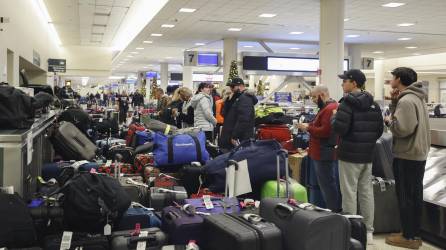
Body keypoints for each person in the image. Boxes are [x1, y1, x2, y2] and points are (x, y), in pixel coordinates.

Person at [331, 69, 384, 244]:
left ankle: (352, 231)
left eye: (344, 81)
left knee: (349, 193)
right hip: (367, 156)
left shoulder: (346, 104)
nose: (342, 84)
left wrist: (334, 119)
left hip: (348, 156)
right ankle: (368, 232)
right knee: (366, 192)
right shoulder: (374, 104)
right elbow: (379, 131)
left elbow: (340, 129)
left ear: (354, 83)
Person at [384, 68, 430, 249]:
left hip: (407, 155)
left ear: (399, 79)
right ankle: (412, 233)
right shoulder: (416, 97)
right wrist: (395, 103)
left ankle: (409, 237)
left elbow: (403, 129)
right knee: (413, 194)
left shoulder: (407, 100)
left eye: (392, 77)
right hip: (417, 154)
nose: (390, 80)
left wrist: (388, 122)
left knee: (405, 196)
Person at [297, 85, 341, 212]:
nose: (313, 100)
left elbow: (325, 131)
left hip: (323, 153)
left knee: (328, 186)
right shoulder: (326, 108)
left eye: (314, 97)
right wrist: (310, 125)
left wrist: (307, 128)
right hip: (320, 152)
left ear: (322, 94)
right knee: (327, 185)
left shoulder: (329, 109)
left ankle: (334, 212)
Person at [219, 78, 258, 151]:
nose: (231, 89)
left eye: (233, 87)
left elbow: (243, 119)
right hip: (232, 136)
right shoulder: (237, 97)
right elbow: (225, 114)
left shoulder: (245, 98)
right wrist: (228, 100)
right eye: (230, 87)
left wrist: (235, 136)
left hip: (240, 138)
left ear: (240, 86)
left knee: (239, 160)